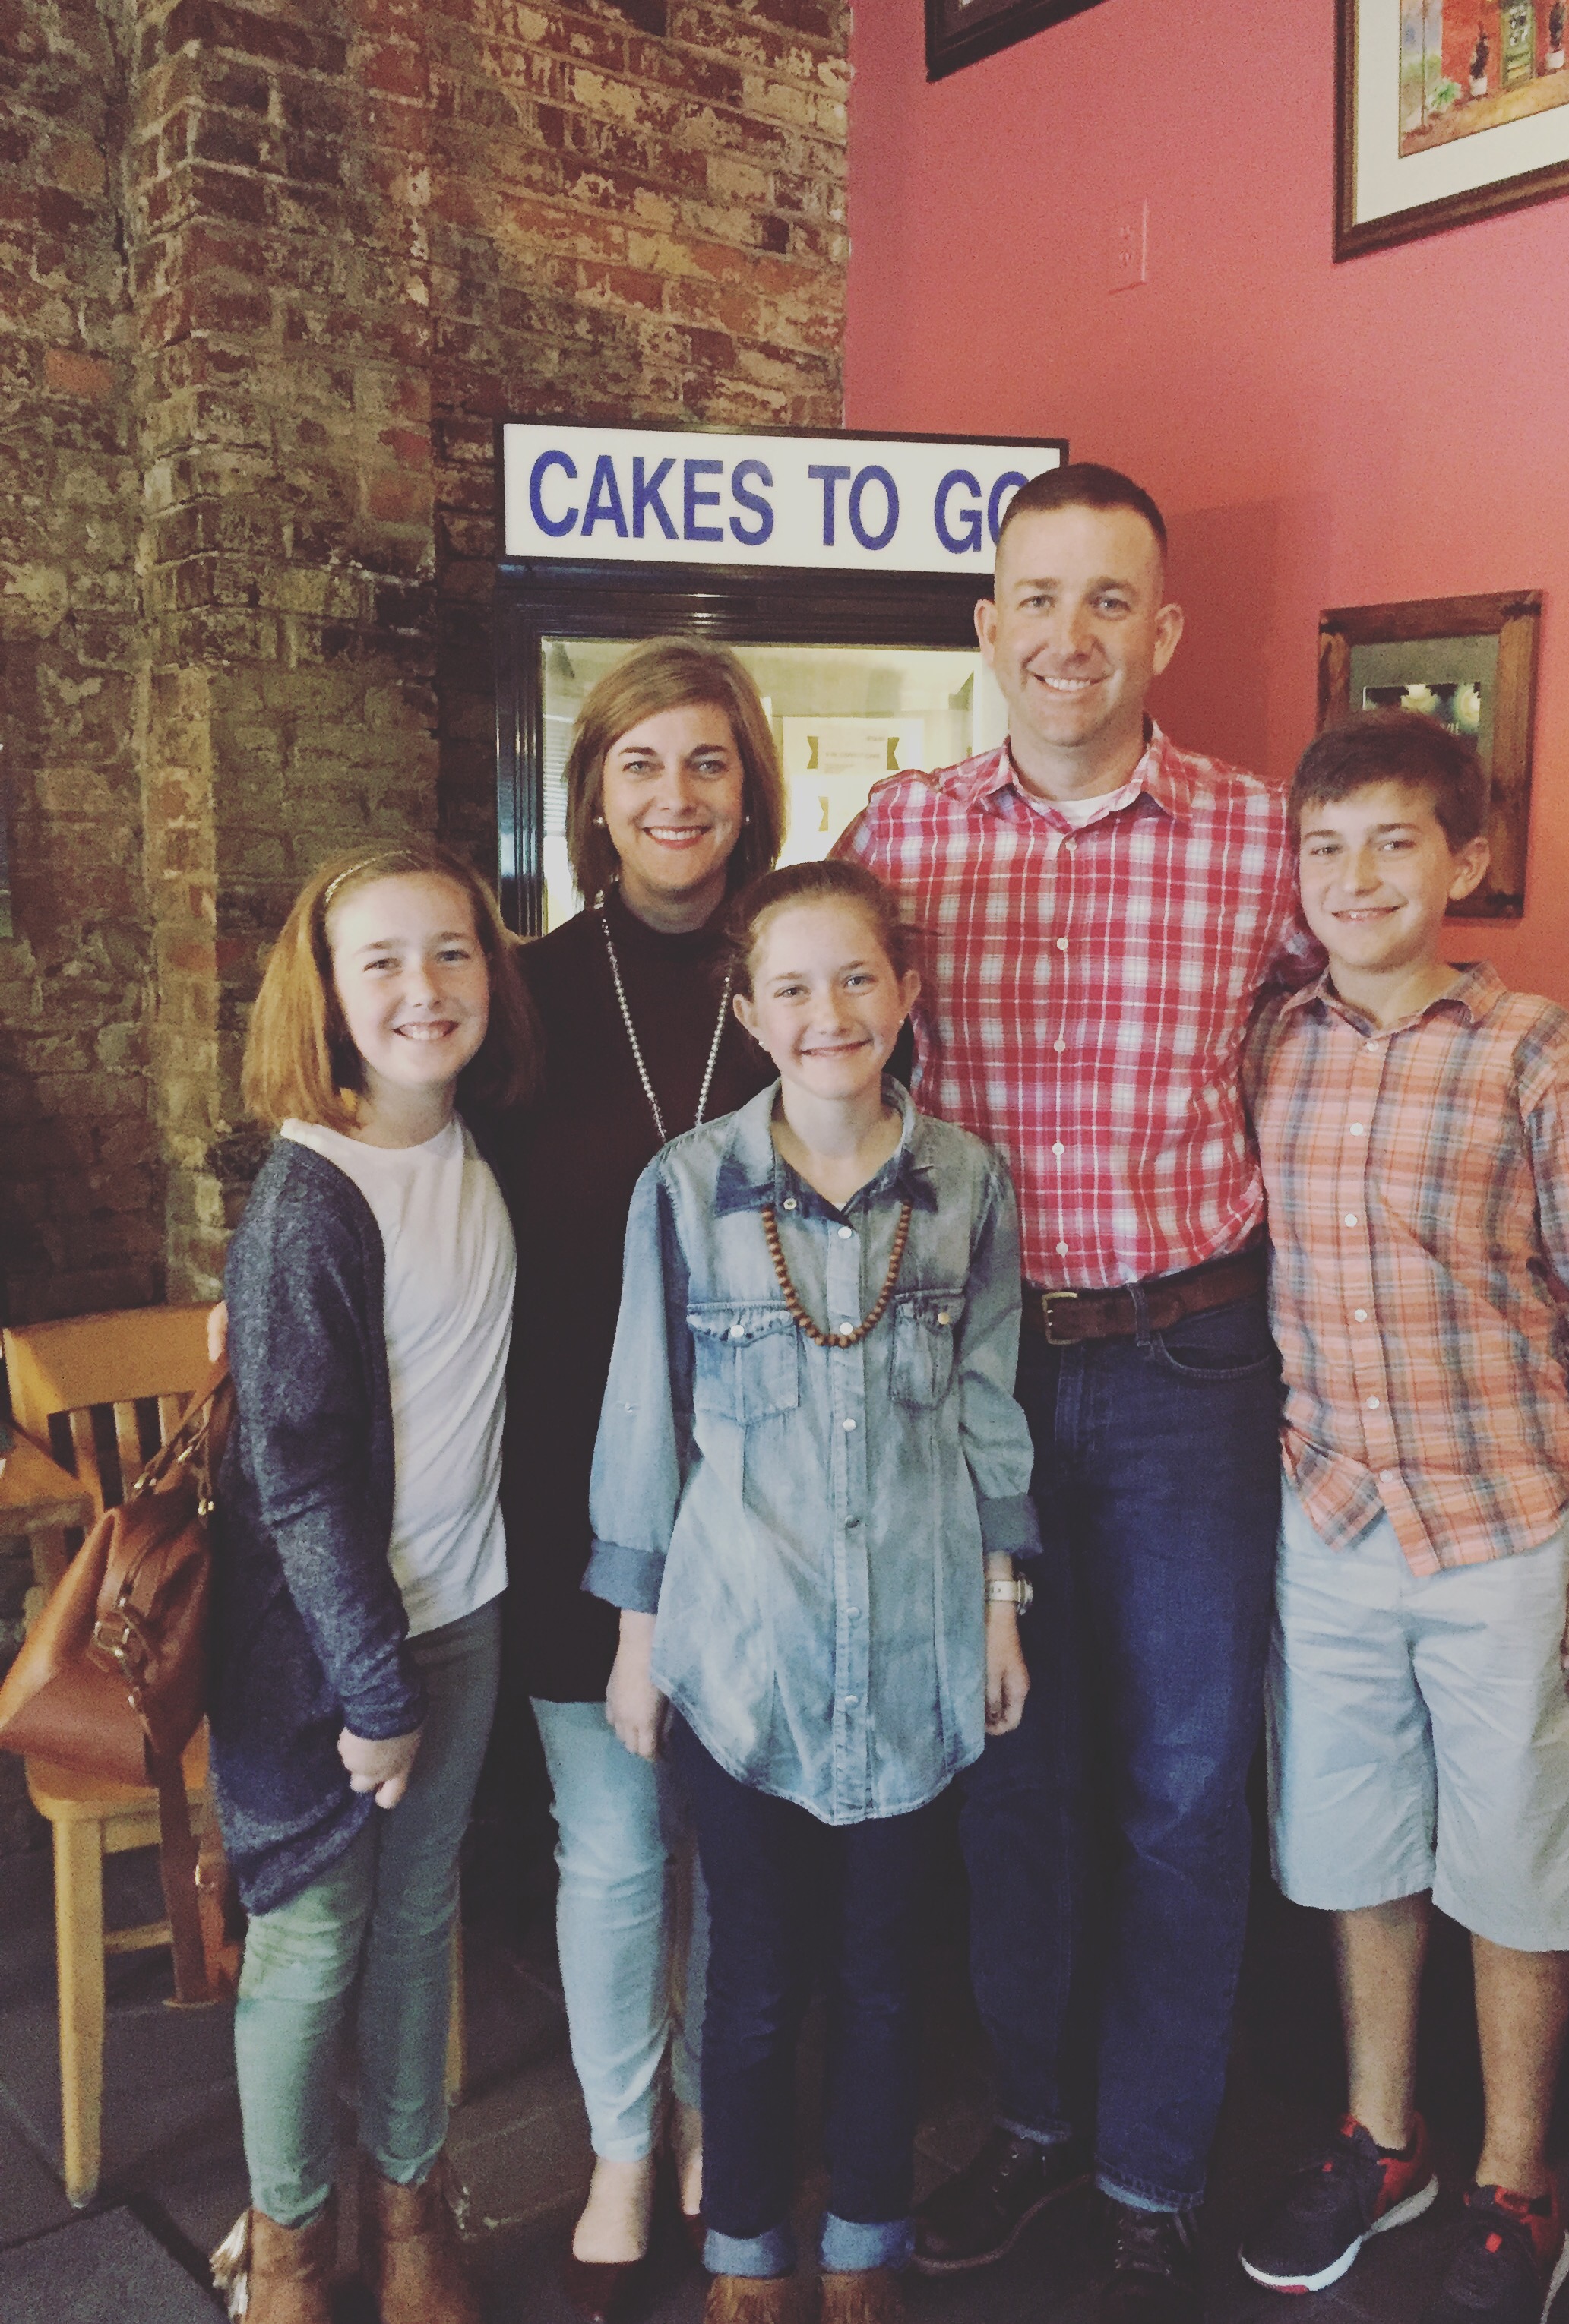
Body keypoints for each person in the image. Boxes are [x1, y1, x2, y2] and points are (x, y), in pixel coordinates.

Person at [837, 463, 1569, 2322]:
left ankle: (1152, 2167)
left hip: (1196, 1368)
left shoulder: (1246, 834)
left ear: (1166, 631)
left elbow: (1398, 988)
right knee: (1016, 1775)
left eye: (1109, 600)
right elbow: (817, 1017)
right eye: (1036, 597)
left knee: (1189, 1788)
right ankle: (1034, 2127)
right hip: (973, 1370)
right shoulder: (900, 831)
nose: (1069, 636)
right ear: (986, 625)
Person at [1238, 711, 1569, 2324]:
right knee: (1357, 1842)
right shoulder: (1268, 1043)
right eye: (1325, 847)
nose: (1355, 878)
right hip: (1331, 1512)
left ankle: (1517, 2183)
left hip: (1508, 1525)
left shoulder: (1540, 1052)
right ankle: (1383, 2138)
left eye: (1394, 843)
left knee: (1519, 1856)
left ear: (1466, 861)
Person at [586, 858, 1038, 2324]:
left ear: (907, 994)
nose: (828, 1012)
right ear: (749, 1012)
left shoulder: (967, 1184)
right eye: (791, 986)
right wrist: (639, 1641)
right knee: (757, 1980)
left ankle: (863, 2247)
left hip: (915, 1648)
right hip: (745, 1652)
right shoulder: (686, 1189)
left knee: (888, 1976)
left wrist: (1001, 1605)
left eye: (857, 979)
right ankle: (743, 2254)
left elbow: (987, 1404)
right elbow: (646, 1425)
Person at [207, 839, 539, 2324]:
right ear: (328, 993)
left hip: (463, 1613)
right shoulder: (310, 1195)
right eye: (383, 961)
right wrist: (374, 1690)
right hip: (325, 1656)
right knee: (310, 1942)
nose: (425, 988)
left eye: (453, 951)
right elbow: (297, 1482)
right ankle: (289, 2250)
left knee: (415, 1929)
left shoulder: (471, 1140)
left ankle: (412, 2218)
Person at [496, 640, 785, 2322]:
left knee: (732, 1847)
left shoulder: (799, 978)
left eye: (709, 763)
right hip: (563, 1481)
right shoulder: (524, 989)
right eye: (642, 766)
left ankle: (711, 2118)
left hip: (763, 1490)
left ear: (752, 790)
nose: (677, 797)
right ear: (592, 796)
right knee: (610, 1848)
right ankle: (620, 2143)